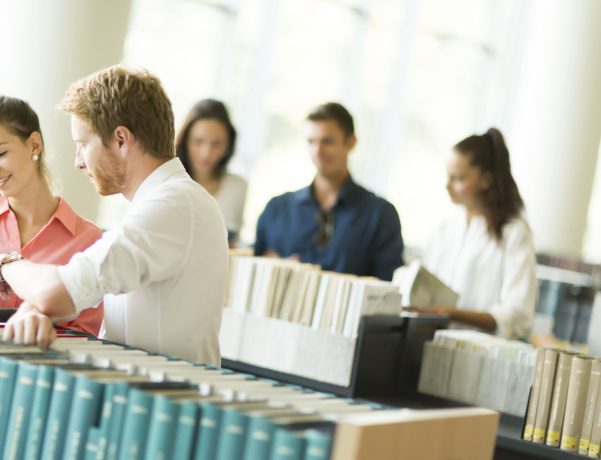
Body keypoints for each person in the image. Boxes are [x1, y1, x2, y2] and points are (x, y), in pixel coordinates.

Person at [0, 66, 229, 366]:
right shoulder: (169, 202)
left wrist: (7, 262)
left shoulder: (173, 205)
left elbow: (56, 291)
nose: (78, 162)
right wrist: (36, 309)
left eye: (82, 145)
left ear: (122, 140)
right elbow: (84, 288)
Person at [0, 95, 104, 336]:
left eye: (0, 153)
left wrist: (40, 323)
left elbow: (85, 333)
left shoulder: (88, 239)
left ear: (34, 145)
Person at [254, 102, 404, 281]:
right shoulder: (277, 209)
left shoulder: (380, 214)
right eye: (311, 142)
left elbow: (389, 285)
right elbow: (254, 270)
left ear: (351, 142)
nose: (318, 151)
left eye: (328, 141)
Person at [419, 128, 537, 340]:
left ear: (486, 180)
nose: (448, 186)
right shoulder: (445, 229)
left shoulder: (513, 232)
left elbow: (517, 316)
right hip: (432, 346)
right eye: (448, 176)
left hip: (482, 355)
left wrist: (452, 313)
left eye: (458, 178)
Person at [175, 99, 247, 245]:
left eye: (217, 144)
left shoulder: (238, 187)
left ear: (228, 144)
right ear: (185, 140)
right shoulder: (168, 182)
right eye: (198, 141)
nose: (206, 153)